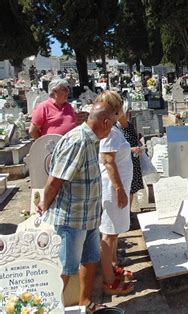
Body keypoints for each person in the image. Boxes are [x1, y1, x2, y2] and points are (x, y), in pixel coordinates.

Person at [36, 97, 121, 313]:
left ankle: (85, 302)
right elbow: (56, 179)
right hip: (71, 219)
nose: (111, 131)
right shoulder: (78, 141)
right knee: (65, 268)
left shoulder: (92, 140)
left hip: (89, 216)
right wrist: (43, 204)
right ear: (105, 123)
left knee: (90, 258)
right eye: (112, 124)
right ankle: (45, 308)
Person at [98, 91, 134, 296]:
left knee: (114, 231)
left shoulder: (114, 128)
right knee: (109, 234)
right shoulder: (109, 132)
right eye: (119, 107)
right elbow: (109, 162)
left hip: (118, 186)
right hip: (112, 188)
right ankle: (109, 281)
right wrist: (119, 190)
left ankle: (112, 266)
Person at [115, 102, 144, 206]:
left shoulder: (130, 125)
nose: (128, 113)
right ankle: (125, 210)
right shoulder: (115, 128)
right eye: (126, 111)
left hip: (134, 160)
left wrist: (139, 146)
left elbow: (135, 140)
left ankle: (129, 211)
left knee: (132, 188)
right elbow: (117, 147)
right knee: (126, 186)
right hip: (124, 160)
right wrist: (131, 149)